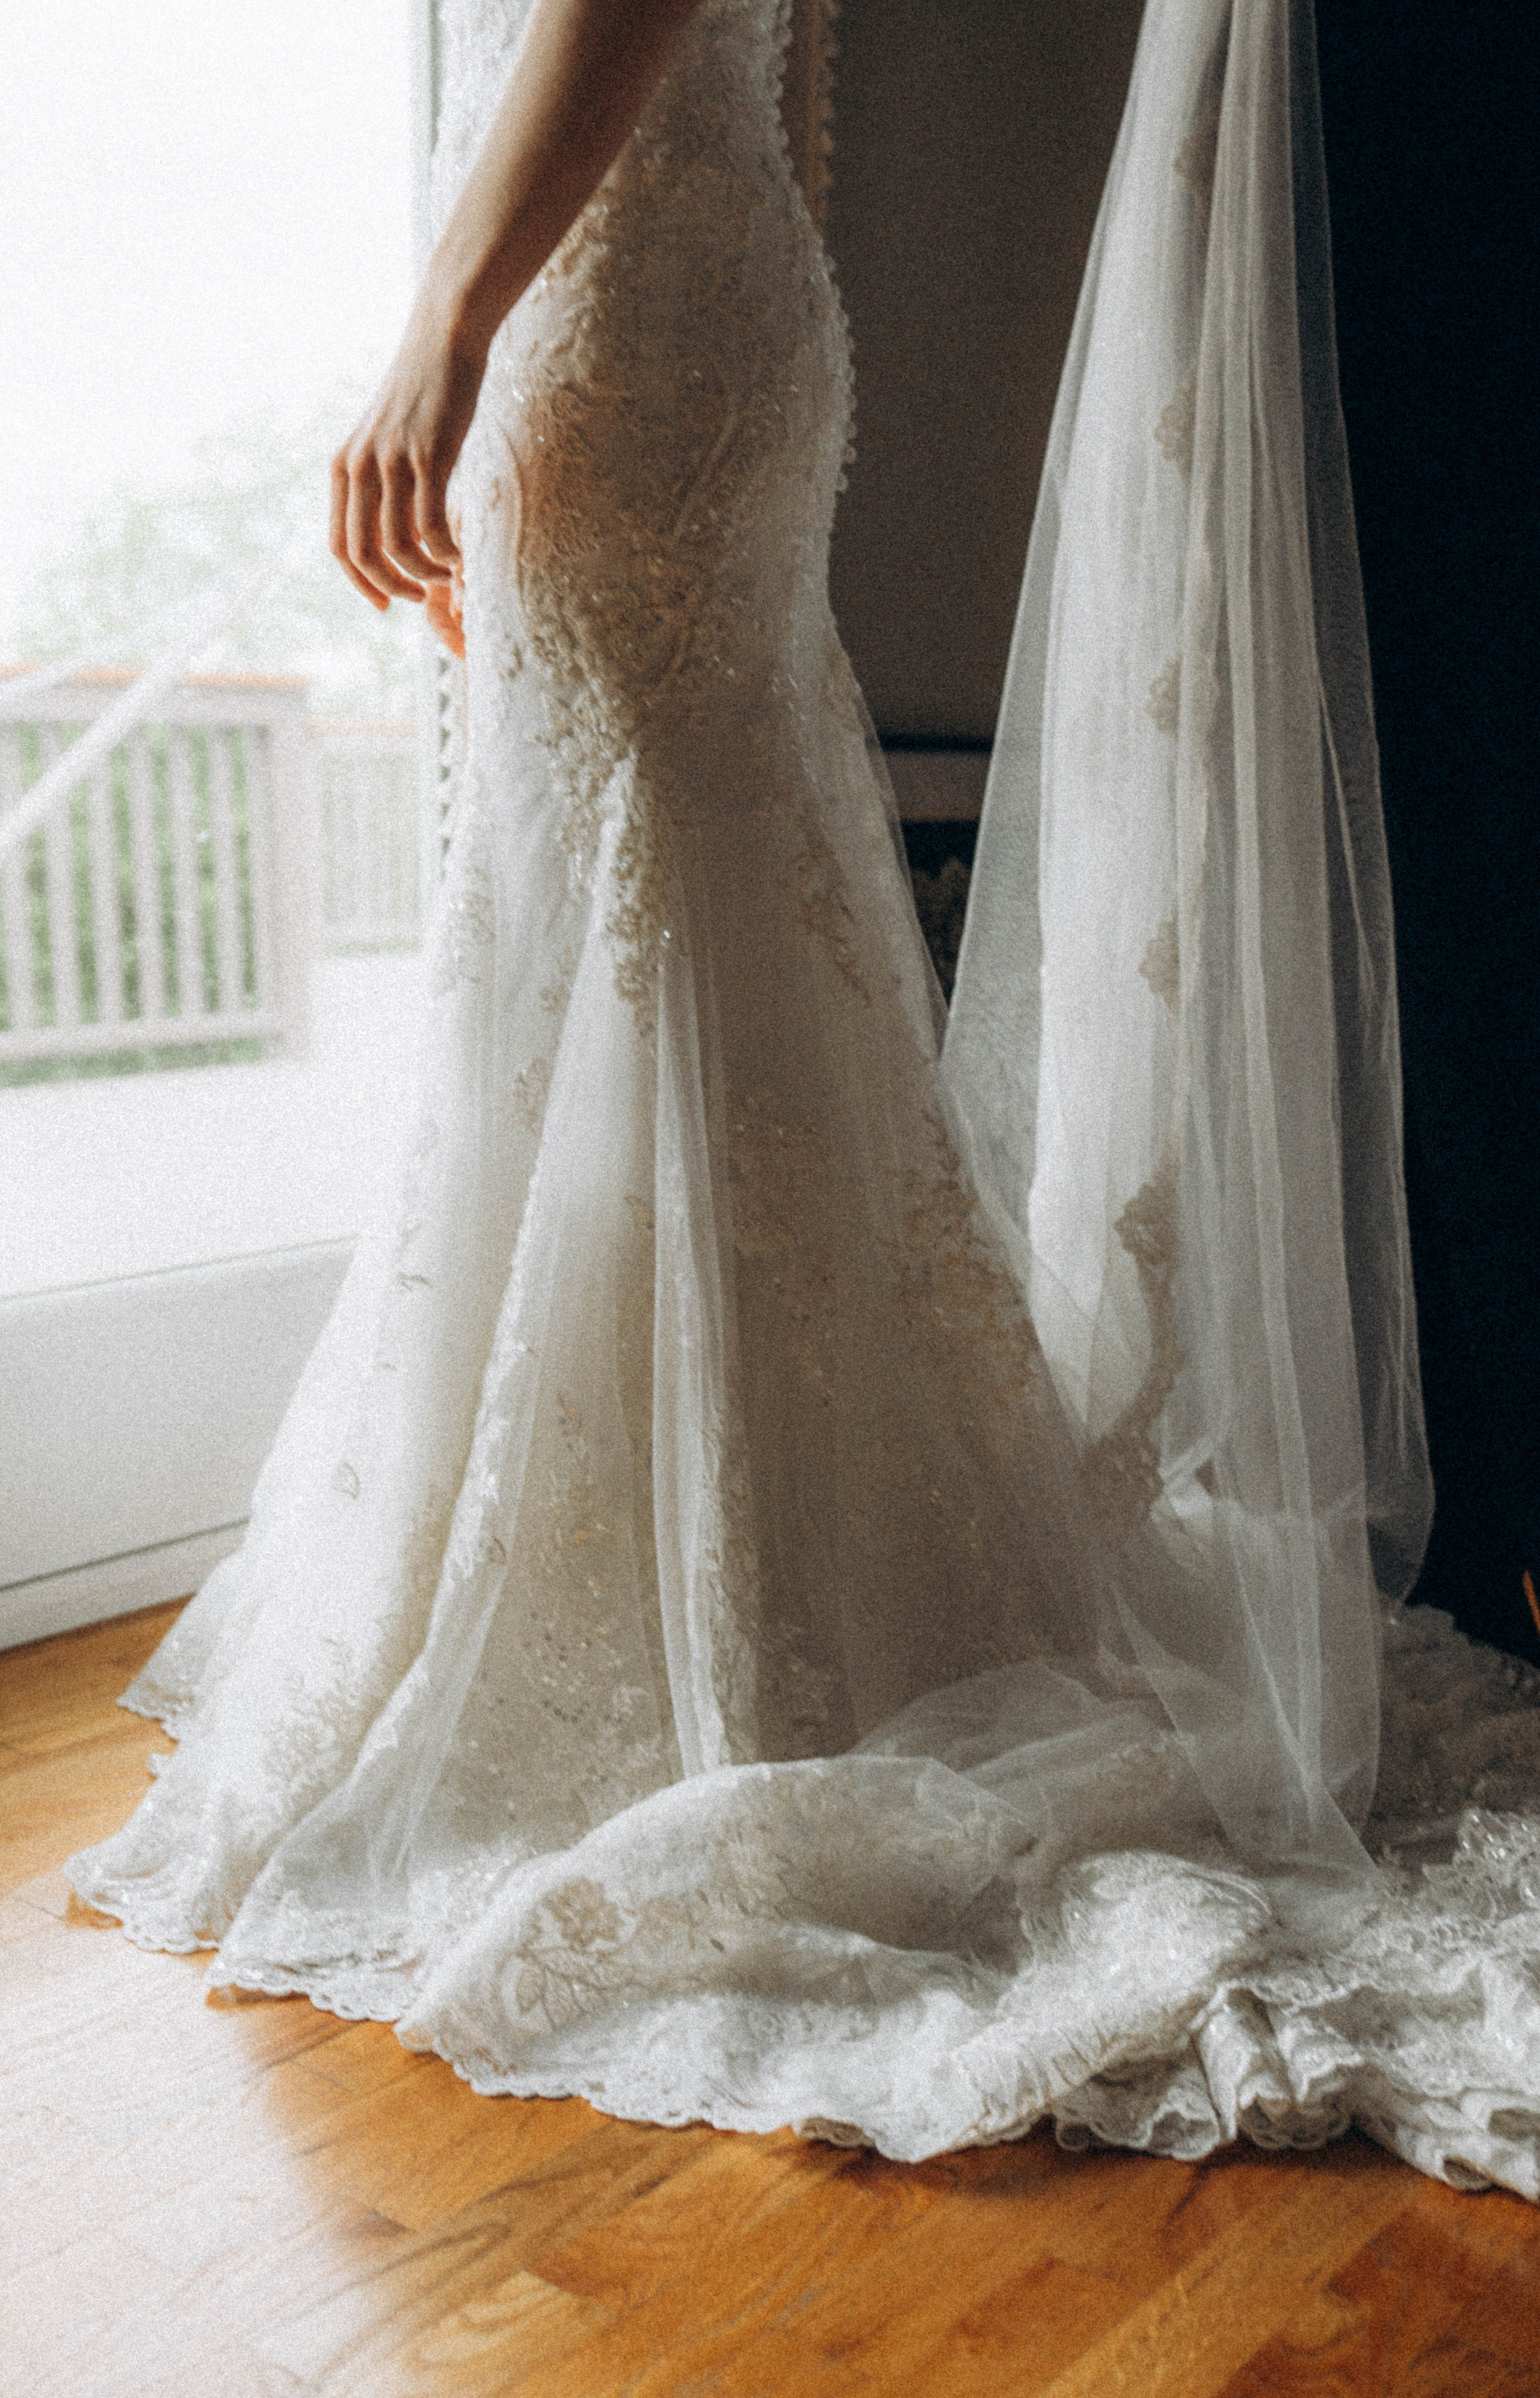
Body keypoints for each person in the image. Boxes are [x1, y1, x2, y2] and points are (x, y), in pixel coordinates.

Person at [69, 0, 1540, 2195]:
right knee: (647, 932)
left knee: (654, 926)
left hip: (617, 287)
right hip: (675, 263)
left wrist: (444, 327)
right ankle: (768, 1561)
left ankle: (728, 1606)